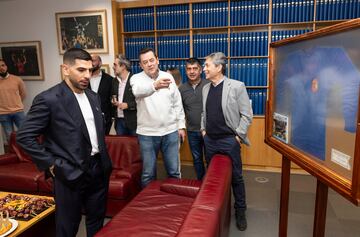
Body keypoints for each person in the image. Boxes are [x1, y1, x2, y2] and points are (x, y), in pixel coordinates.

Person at [16, 48, 113, 237]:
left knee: (97, 220)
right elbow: (24, 136)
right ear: (65, 69)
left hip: (98, 169)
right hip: (69, 172)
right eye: (80, 70)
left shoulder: (94, 97)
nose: (87, 75)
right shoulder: (49, 99)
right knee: (67, 226)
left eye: (90, 70)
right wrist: (52, 165)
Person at [201, 52, 253, 231]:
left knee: (236, 178)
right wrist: (203, 130)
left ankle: (240, 211)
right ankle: (216, 211)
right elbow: (204, 113)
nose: (204, 69)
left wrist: (238, 136)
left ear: (219, 67)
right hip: (210, 141)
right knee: (213, 178)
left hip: (229, 141)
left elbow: (247, 115)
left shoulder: (237, 86)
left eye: (207, 65)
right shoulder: (205, 88)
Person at [130, 47, 186, 187]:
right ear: (140, 65)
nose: (149, 64)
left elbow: (177, 103)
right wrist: (155, 85)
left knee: (174, 171)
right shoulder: (136, 79)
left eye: (151, 60)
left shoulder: (168, 77)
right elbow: (137, 92)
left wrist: (181, 126)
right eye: (145, 62)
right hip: (147, 134)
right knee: (148, 173)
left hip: (171, 131)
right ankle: (148, 205)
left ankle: (174, 202)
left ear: (157, 60)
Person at [178, 58, 209, 180]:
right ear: (185, 71)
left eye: (195, 68)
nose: (192, 72)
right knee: (197, 159)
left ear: (200, 70)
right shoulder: (181, 89)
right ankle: (201, 181)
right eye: (189, 69)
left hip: (208, 131)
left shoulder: (209, 85)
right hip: (191, 131)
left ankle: (210, 184)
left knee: (210, 158)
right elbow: (179, 110)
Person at [0, 58, 26, 143]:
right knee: (10, 137)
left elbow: (23, 94)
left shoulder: (17, 79)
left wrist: (17, 104)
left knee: (26, 134)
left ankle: (27, 154)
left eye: (3, 65)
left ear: (6, 66)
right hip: (3, 114)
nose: (1, 68)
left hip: (18, 112)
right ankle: (15, 155)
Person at [111, 54, 137, 135]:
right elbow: (112, 96)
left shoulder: (135, 80)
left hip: (133, 122)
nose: (113, 67)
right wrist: (113, 101)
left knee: (134, 147)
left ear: (123, 66)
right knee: (121, 147)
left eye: (115, 65)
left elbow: (142, 101)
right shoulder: (114, 81)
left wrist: (128, 105)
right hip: (119, 122)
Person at [89, 54, 114, 134]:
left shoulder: (110, 80)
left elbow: (111, 99)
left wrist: (111, 117)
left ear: (100, 63)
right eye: (90, 61)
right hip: (87, 118)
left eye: (93, 60)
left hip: (105, 119)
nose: (91, 63)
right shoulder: (84, 79)